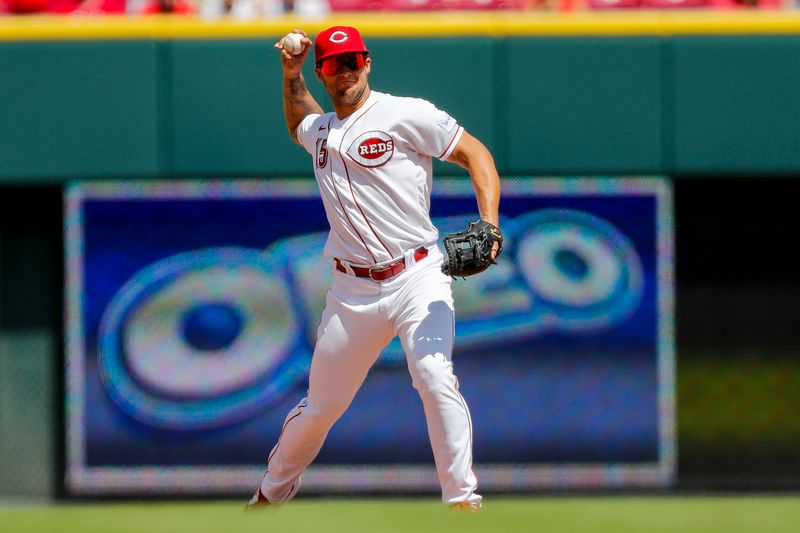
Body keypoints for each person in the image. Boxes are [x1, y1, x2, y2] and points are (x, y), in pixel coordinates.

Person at [247, 25, 501, 512]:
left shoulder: (405, 113)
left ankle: (463, 502)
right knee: (320, 408)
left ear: (367, 62)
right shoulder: (321, 131)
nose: (344, 71)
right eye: (332, 64)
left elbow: (476, 154)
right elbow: (299, 120)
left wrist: (490, 225)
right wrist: (291, 72)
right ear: (322, 72)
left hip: (417, 275)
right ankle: (267, 497)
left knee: (434, 376)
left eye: (351, 61)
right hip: (351, 292)